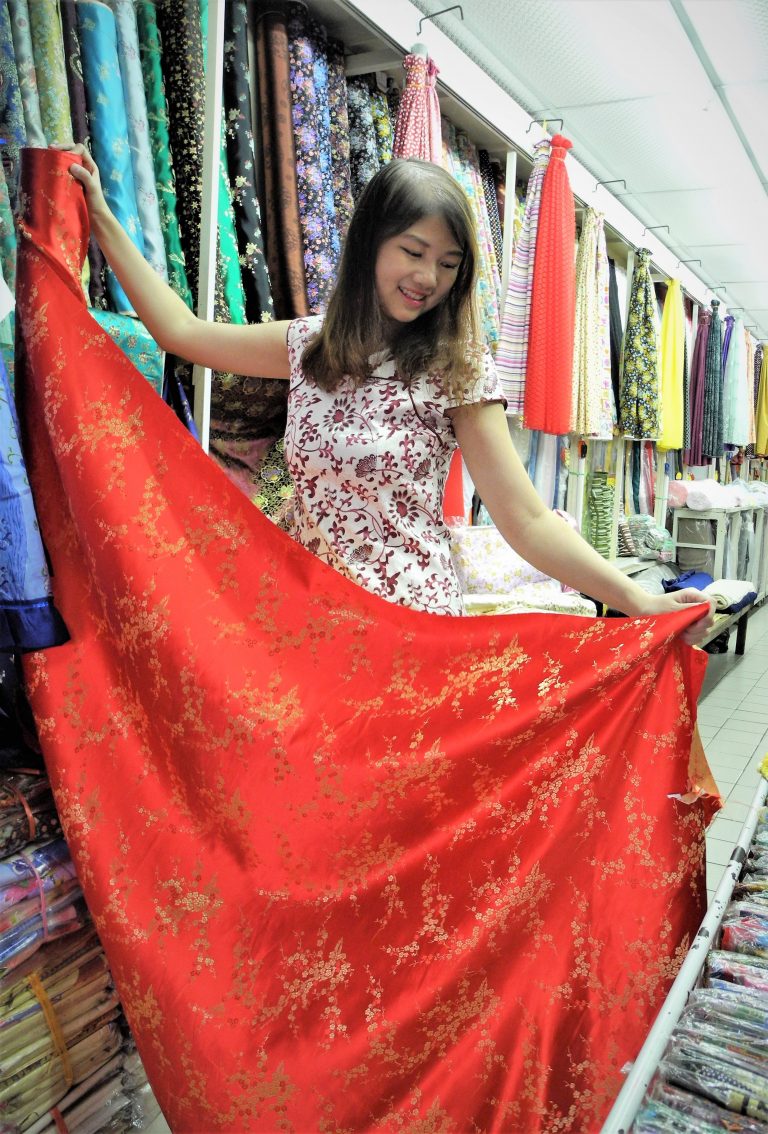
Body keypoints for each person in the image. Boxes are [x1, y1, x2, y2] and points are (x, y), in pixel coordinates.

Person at [62, 144, 714, 641]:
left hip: (408, 628)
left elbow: (527, 519)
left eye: (449, 264)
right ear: (371, 243)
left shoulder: (458, 369)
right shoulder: (310, 346)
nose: (428, 277)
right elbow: (181, 333)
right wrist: (101, 219)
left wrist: (638, 601)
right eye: (413, 251)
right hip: (311, 620)